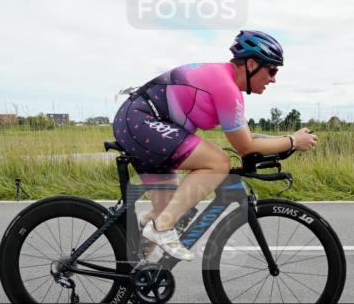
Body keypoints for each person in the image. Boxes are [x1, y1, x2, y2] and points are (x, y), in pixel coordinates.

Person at [111, 30, 318, 261]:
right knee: (218, 162)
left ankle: (135, 275)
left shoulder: (224, 82)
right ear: (251, 64)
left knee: (170, 209)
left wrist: (288, 139)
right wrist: (292, 142)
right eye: (272, 69)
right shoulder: (226, 88)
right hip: (140, 121)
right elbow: (246, 148)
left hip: (139, 122)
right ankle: (160, 228)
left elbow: (246, 137)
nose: (273, 78)